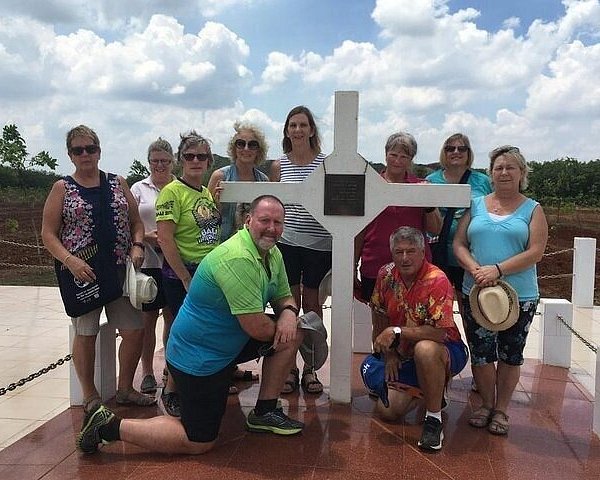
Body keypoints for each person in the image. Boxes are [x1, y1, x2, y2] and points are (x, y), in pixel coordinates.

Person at [76, 195, 308, 455]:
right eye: (265, 220)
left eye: (278, 222)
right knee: (198, 440)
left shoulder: (272, 253)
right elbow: (256, 328)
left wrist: (289, 314)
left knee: (294, 331)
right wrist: (286, 326)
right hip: (199, 357)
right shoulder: (238, 257)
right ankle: (108, 426)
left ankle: (264, 412)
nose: (272, 228)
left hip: (225, 342)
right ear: (248, 220)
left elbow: (284, 295)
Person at [41, 124, 155, 413]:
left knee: (134, 330)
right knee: (86, 333)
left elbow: (136, 222)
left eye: (90, 148)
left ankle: (125, 388)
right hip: (82, 273)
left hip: (118, 270)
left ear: (99, 151)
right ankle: (90, 395)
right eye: (78, 150)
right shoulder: (62, 188)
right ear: (70, 155)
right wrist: (70, 260)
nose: (85, 154)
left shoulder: (118, 183)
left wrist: (138, 245)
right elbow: (48, 234)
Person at [453, 145, 548, 435]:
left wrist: (498, 269)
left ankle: (502, 409)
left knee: (510, 354)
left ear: (522, 173)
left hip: (519, 296)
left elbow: (536, 252)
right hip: (477, 293)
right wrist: (475, 269)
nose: (504, 172)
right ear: (491, 173)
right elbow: (459, 244)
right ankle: (485, 404)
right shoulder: (476, 205)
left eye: (510, 168)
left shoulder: (533, 209)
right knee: (481, 353)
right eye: (498, 168)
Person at [361, 226, 468, 452]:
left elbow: (438, 333)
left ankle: (434, 419)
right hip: (403, 352)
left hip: (445, 348)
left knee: (425, 349)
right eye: (399, 252)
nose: (405, 258)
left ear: (422, 252)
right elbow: (379, 315)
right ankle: (432, 391)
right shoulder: (385, 274)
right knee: (388, 411)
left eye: (411, 251)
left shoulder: (437, 280)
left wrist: (397, 332)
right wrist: (389, 354)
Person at [156, 131, 221, 416]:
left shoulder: (204, 192)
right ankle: (171, 388)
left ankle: (194, 384)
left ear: (208, 161)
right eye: (190, 156)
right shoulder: (172, 192)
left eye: (201, 156)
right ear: (181, 159)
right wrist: (184, 276)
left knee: (202, 331)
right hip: (183, 274)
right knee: (183, 333)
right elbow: (165, 238)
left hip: (207, 273)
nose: (196, 161)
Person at [269, 106, 331, 395]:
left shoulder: (325, 163)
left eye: (303, 125)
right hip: (288, 244)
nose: (297, 130)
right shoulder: (279, 166)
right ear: (286, 130)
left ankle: (311, 368)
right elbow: (273, 203)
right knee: (289, 305)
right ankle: (290, 368)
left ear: (311, 129)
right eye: (292, 125)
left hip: (320, 244)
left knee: (313, 306)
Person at [208, 121, 270, 394]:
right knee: (224, 316)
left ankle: (231, 367)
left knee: (245, 314)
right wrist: (216, 201)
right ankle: (221, 372)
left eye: (252, 144)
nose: (246, 148)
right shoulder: (220, 176)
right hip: (226, 256)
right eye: (240, 143)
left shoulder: (264, 181)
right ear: (233, 148)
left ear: (259, 149)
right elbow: (206, 218)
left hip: (254, 257)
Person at [354, 132, 443, 307]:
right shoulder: (369, 187)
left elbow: (435, 229)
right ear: (385, 154)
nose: (397, 160)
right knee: (379, 318)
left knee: (417, 318)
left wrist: (428, 202)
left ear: (411, 160)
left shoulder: (421, 187)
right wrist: (352, 266)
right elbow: (359, 230)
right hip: (375, 265)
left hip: (415, 268)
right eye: (393, 155)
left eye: (404, 157)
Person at [426, 133, 492, 317]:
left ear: (468, 153)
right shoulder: (431, 181)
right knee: (438, 310)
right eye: (450, 148)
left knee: (470, 309)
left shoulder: (482, 181)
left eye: (461, 148)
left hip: (471, 255)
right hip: (439, 253)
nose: (456, 152)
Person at [130, 138, 176, 394]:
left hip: (173, 261)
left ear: (172, 162)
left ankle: (171, 368)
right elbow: (130, 222)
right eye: (155, 161)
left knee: (173, 318)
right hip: (148, 262)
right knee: (148, 320)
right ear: (148, 162)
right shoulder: (139, 189)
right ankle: (147, 371)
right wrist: (148, 238)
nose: (160, 165)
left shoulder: (180, 187)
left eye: (164, 161)